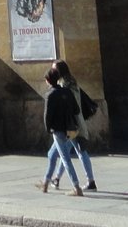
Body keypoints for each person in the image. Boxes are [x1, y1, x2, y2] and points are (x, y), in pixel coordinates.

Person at [47, 60, 98, 192]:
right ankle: (58, 178)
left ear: (59, 72)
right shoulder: (73, 82)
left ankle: (65, 182)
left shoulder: (63, 86)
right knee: (75, 151)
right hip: (76, 122)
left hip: (68, 124)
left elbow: (67, 106)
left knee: (58, 153)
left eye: (53, 69)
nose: (52, 71)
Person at [38, 63, 88, 196]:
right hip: (70, 129)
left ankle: (77, 188)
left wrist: (49, 129)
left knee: (65, 159)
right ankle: (46, 183)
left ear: (48, 81)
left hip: (58, 130)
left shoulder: (50, 94)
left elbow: (47, 116)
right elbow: (76, 109)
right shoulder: (66, 91)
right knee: (52, 155)